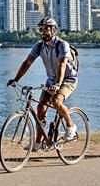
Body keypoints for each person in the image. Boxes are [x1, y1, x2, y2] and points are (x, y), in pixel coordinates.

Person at [6, 17, 78, 148]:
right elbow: (27, 62)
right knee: (40, 108)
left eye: (46, 29)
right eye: (41, 29)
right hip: (51, 81)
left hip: (68, 79)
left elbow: (62, 64)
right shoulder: (39, 46)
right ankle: (38, 142)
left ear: (54, 30)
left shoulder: (62, 45)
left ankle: (71, 126)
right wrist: (16, 79)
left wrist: (57, 84)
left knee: (56, 101)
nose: (43, 32)